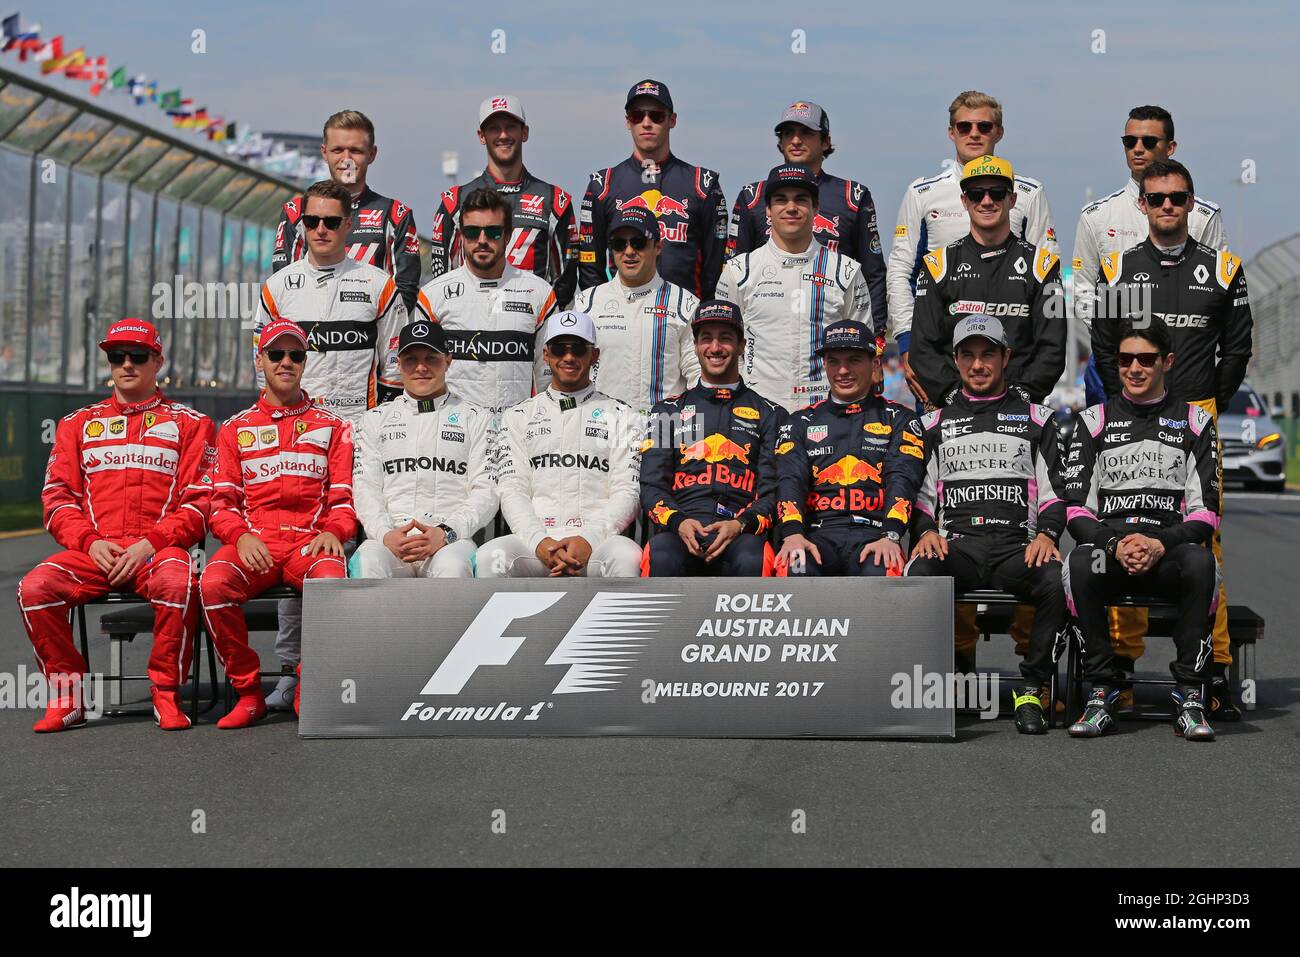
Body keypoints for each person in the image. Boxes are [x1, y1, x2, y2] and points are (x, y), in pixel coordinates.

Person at [1092, 157, 1251, 719]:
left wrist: (1207, 403)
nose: (1166, 207)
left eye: (1177, 198)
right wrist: (1128, 404)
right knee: (1124, 531)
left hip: (1196, 416)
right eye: (1156, 198)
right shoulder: (1116, 270)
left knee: (1204, 544)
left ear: (1191, 203)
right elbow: (1107, 349)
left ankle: (1216, 668)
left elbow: (1236, 350)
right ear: (1141, 204)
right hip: (1128, 418)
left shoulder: (1224, 267)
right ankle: (1123, 667)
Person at [17, 319, 214, 733]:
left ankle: (166, 692)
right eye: (117, 356)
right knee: (34, 588)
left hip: (156, 553)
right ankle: (68, 695)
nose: (127, 364)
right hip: (95, 552)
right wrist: (88, 543)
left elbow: (199, 505)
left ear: (157, 360)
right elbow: (56, 499)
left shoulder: (191, 424)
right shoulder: (77, 424)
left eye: (138, 356)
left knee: (180, 582)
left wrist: (151, 543)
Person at [254, 178, 408, 707]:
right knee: (296, 545)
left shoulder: (379, 284)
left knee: (365, 551)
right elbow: (265, 367)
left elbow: (394, 371)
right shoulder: (278, 287)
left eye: (331, 221)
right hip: (296, 440)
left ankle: (364, 664)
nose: (321, 230)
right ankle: (293, 671)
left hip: (361, 438)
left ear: (350, 225)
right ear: (302, 227)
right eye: (312, 222)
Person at [904, 316, 1069, 734]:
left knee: (1055, 578)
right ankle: (929, 689)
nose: (978, 365)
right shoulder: (932, 424)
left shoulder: (1038, 419)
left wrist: (1048, 534)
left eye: (988, 354)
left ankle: (1032, 689)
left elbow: (1055, 494)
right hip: (957, 546)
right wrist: (925, 531)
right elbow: (921, 495)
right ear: (956, 360)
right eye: (969, 355)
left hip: (1017, 547)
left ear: (1005, 357)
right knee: (918, 573)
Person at [1063, 318, 1221, 741]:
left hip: (1168, 550)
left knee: (1203, 562)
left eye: (1146, 359)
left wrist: (1158, 542)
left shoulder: (1195, 422)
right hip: (1112, 551)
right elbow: (1076, 511)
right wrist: (1114, 544)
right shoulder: (1091, 422)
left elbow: (1208, 514)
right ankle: (1102, 688)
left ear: (1166, 362)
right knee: (1080, 562)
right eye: (1126, 359)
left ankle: (1190, 694)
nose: (1135, 368)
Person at [200, 319, 356, 728]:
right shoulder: (235, 429)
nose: (286, 362)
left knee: (332, 583)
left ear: (305, 362)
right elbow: (221, 503)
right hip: (257, 542)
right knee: (213, 585)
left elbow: (343, 500)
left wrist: (333, 531)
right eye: (276, 354)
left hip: (309, 542)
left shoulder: (334, 426)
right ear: (261, 360)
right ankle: (249, 692)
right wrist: (240, 535)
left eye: (296, 355)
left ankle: (308, 685)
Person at [887, 91, 1057, 403]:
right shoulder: (922, 192)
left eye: (984, 126)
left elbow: (1045, 276)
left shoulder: (1029, 192)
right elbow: (900, 272)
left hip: (1016, 367)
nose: (974, 134)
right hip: (943, 362)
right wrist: (909, 342)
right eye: (964, 127)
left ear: (999, 132)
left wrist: (1033, 378)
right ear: (951, 132)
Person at [1071, 105, 1227, 407]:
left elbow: (1218, 293)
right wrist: (1124, 337)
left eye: (1148, 142)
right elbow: (1083, 291)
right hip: (1116, 358)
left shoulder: (1203, 215)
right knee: (1112, 452)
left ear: (1170, 147)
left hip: (1184, 363)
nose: (1138, 148)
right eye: (1130, 142)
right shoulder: (1097, 216)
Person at [476, 311, 642, 578]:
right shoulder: (517, 416)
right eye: (559, 349)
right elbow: (512, 490)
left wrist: (587, 540)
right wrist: (540, 542)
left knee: (628, 557)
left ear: (594, 355)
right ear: (546, 354)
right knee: (489, 557)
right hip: (536, 543)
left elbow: (628, 492)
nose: (568, 357)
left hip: (597, 543)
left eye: (578, 349)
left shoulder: (624, 416)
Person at [640, 300, 785, 576]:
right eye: (706, 339)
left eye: (726, 338)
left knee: (756, 557)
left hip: (740, 533)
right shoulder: (665, 412)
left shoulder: (771, 414)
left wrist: (741, 524)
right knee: (660, 555)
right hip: (679, 530)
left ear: (742, 346)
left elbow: (772, 493)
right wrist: (678, 522)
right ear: (695, 347)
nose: (715, 348)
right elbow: (651, 485)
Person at [715, 164, 874, 412]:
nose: (791, 208)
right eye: (781, 200)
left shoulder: (846, 271)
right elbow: (723, 349)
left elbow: (862, 350)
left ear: (816, 208)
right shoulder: (739, 270)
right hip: (757, 412)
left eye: (801, 200)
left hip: (825, 413)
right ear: (768, 209)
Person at [909, 155, 1065, 406]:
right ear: (964, 201)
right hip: (954, 407)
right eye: (976, 194)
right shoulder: (937, 265)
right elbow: (922, 348)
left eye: (997, 193)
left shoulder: (1043, 265)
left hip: (1020, 407)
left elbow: (1053, 349)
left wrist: (1019, 396)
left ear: (1012, 199)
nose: (987, 201)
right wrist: (955, 397)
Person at [774, 319, 925, 576]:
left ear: (875, 364)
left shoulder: (900, 418)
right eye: (834, 361)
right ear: (825, 366)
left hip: (877, 536)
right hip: (817, 536)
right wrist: (793, 534)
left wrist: (891, 535)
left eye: (853, 360)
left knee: (882, 570)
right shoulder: (798, 422)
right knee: (794, 565)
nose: (843, 370)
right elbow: (790, 480)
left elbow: (903, 478)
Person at [352, 320, 496, 578]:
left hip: (450, 541)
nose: (421, 367)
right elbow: (366, 488)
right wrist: (386, 534)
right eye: (411, 359)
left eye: (432, 358)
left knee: (453, 567)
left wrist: (446, 532)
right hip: (391, 539)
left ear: (448, 360)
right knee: (366, 563)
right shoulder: (374, 419)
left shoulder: (476, 418)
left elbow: (486, 491)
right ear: (397, 362)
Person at [728, 100, 887, 324]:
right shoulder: (752, 195)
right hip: (766, 320)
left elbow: (874, 273)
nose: (795, 140)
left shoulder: (854, 195)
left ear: (825, 141)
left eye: (806, 132)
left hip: (833, 322)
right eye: (788, 133)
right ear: (780, 142)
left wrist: (876, 336)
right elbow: (733, 270)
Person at [579, 79, 727, 300]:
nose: (646, 123)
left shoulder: (703, 183)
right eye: (638, 116)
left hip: (686, 317)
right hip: (619, 315)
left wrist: (702, 316)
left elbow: (715, 266)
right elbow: (590, 265)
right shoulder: (603, 184)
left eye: (656, 116)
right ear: (628, 122)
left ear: (672, 120)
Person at [416, 186, 557, 414]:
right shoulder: (433, 295)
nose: (482, 240)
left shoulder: (540, 293)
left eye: (492, 232)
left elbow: (548, 378)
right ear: (461, 236)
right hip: (456, 435)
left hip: (516, 432)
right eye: (472, 232)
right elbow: (421, 378)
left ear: (508, 236)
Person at [430, 95, 579, 308]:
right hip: (469, 323)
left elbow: (565, 284)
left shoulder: (555, 201)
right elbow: (440, 282)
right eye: (494, 129)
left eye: (510, 127)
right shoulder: (455, 201)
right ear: (481, 136)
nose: (503, 135)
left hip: (531, 325)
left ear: (524, 133)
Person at [272, 109, 420, 313]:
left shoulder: (395, 214)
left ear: (372, 154)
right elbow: (284, 285)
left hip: (369, 339)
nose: (346, 159)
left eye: (356, 151)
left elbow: (405, 293)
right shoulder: (295, 212)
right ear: (324, 153)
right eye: (337, 150)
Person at [566, 205, 701, 415]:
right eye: (619, 244)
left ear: (658, 246)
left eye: (638, 243)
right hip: (602, 429)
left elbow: (697, 376)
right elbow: (570, 373)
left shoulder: (685, 304)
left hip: (662, 433)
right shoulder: (587, 302)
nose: (629, 251)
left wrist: (693, 431)